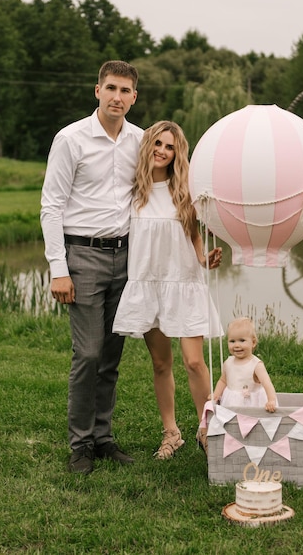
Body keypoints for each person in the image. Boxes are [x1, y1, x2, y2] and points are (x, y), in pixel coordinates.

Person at [40, 60, 142, 475]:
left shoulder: (140, 140)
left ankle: (103, 438)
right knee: (88, 353)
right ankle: (80, 444)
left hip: (127, 256)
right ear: (96, 90)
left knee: (111, 356)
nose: (118, 97)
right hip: (82, 255)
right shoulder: (71, 139)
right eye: (111, 88)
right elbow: (51, 205)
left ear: (135, 97)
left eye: (126, 91)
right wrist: (57, 267)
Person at [113, 120, 223, 459]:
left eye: (170, 146)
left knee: (194, 362)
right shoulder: (133, 192)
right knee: (161, 364)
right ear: (149, 147)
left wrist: (205, 259)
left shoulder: (185, 191)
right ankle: (171, 433)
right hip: (149, 286)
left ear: (178, 153)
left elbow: (193, 236)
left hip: (184, 284)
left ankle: (208, 430)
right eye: (158, 144)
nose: (162, 150)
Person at [211, 317, 277, 411]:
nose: (237, 345)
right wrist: (216, 394)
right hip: (232, 401)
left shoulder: (256, 364)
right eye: (232, 341)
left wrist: (271, 400)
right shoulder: (228, 362)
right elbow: (223, 381)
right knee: (232, 421)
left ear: (253, 342)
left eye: (242, 340)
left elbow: (267, 383)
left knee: (251, 423)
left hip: (252, 403)